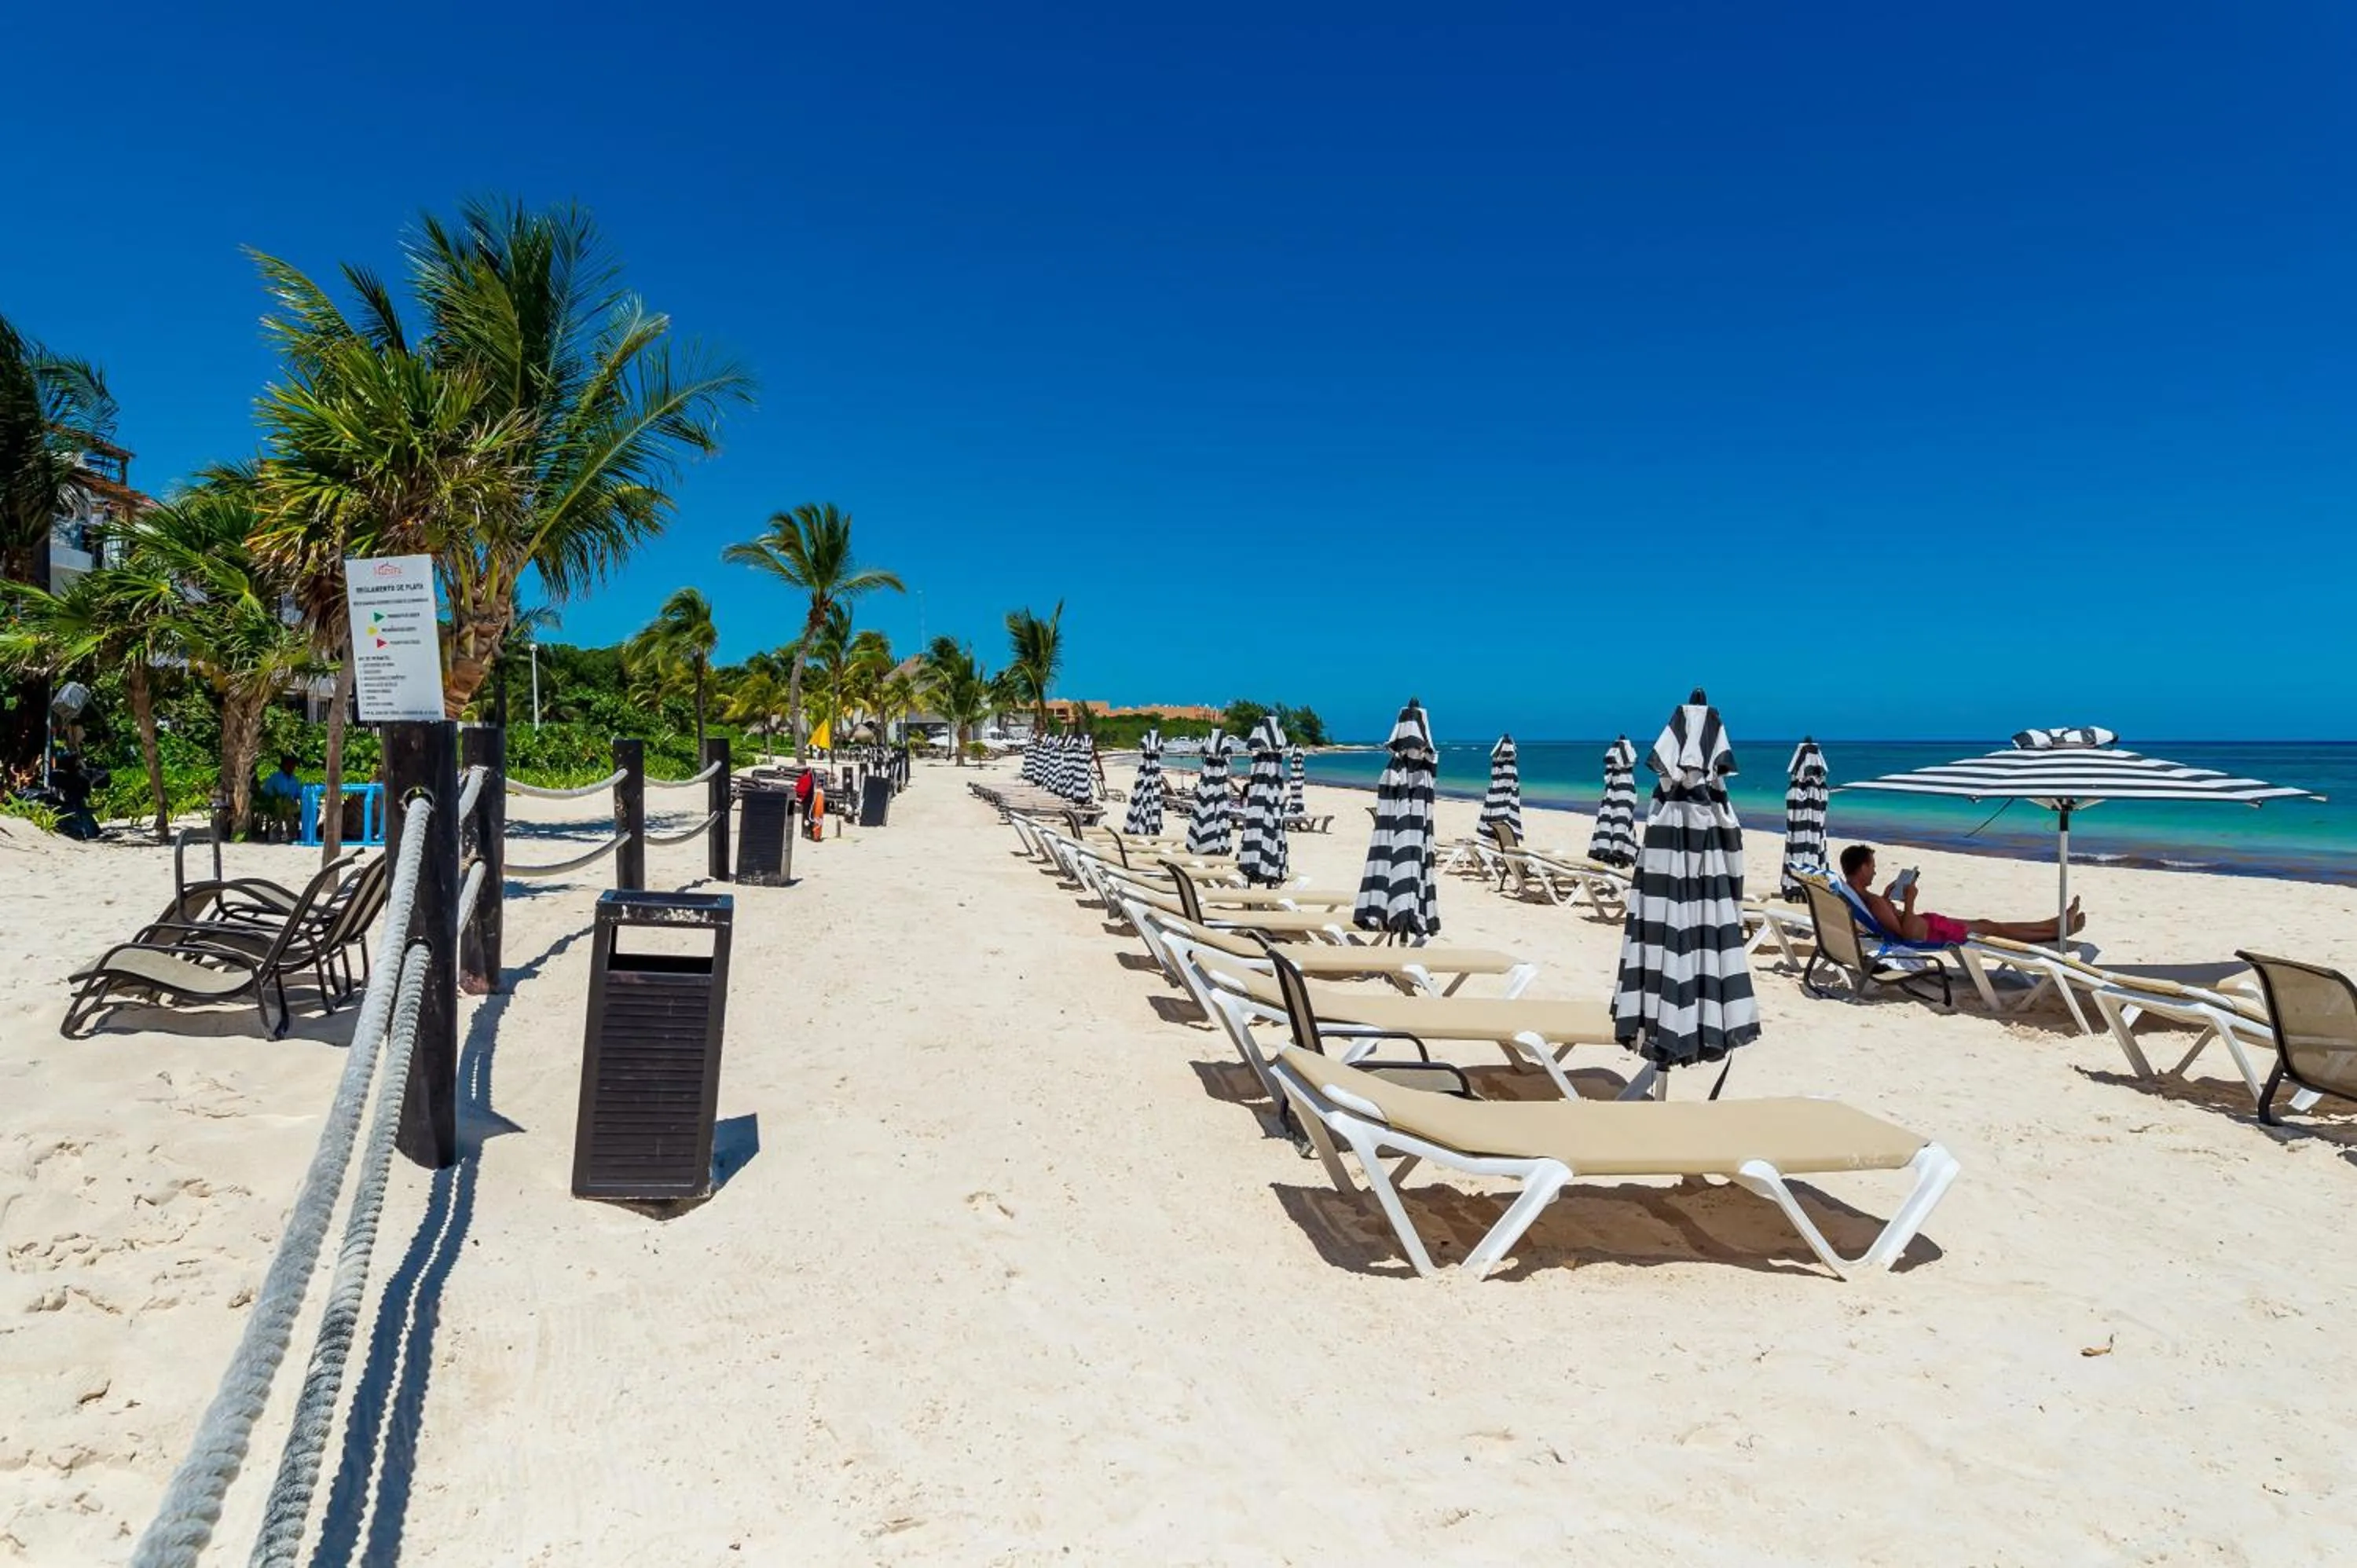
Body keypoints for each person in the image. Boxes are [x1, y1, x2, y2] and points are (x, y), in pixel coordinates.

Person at [1838, 844, 2084, 946]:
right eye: (1872, 866)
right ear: (1861, 868)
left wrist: (1887, 900)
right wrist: (1910, 901)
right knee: (1992, 929)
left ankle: (2056, 925)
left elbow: (1887, 920)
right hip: (1931, 933)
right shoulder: (1873, 901)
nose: (1875, 870)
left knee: (1990, 925)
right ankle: (2057, 928)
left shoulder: (1860, 897)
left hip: (1929, 925)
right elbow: (1905, 934)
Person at [258, 754, 303, 841]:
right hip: (276, 807)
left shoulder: (294, 779)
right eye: (290, 765)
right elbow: (266, 793)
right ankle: (278, 832)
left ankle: (292, 834)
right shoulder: (275, 777)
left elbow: (299, 794)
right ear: (284, 765)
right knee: (282, 808)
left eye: (293, 765)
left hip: (290, 807)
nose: (292, 767)